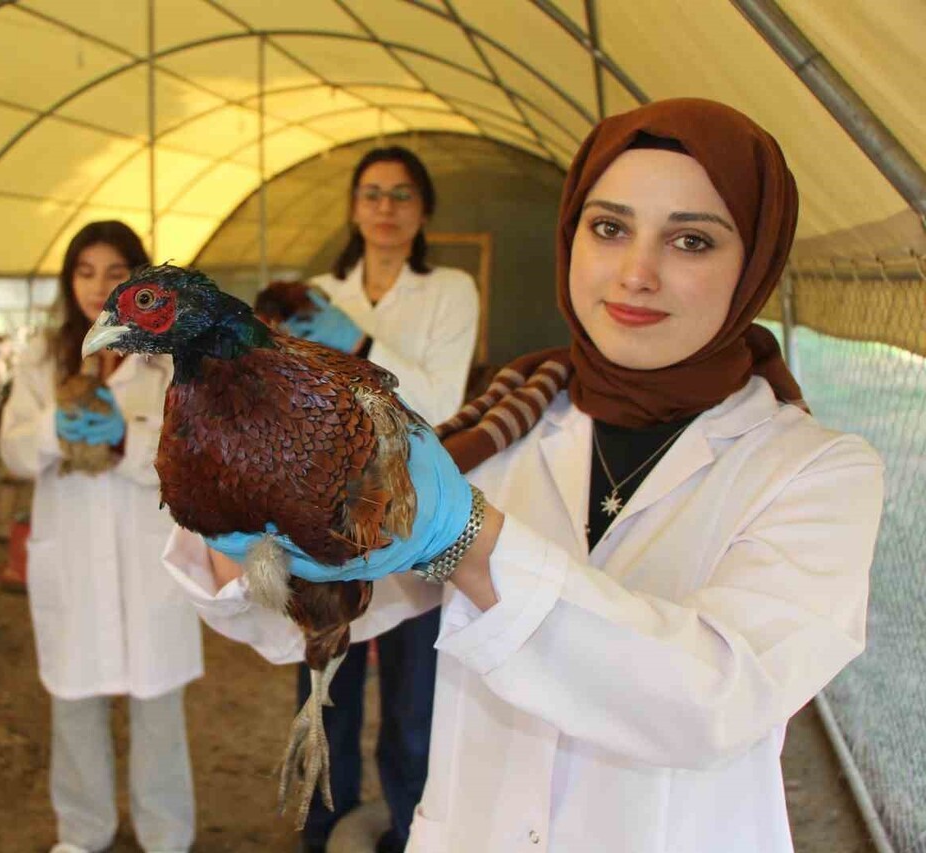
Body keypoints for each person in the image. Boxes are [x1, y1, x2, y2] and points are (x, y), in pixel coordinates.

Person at [164, 99, 883, 852]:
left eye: (692, 240)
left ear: (756, 263)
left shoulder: (816, 472)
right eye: (609, 228)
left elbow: (716, 700)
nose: (636, 273)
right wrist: (234, 510)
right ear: (571, 237)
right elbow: (318, 615)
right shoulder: (505, 426)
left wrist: (472, 543)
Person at [272, 144, 479, 853]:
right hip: (322, 516)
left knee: (412, 693)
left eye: (401, 195)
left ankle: (409, 829)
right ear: (354, 207)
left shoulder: (451, 289)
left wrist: (354, 341)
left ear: (423, 211)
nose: (385, 209)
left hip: (412, 514)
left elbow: (443, 400)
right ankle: (322, 828)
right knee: (323, 685)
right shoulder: (314, 293)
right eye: (372, 194)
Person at [0, 220, 200, 853]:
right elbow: (9, 447)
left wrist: (125, 442)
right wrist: (54, 434)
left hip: (148, 558)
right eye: (84, 272)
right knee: (75, 702)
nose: (97, 286)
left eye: (115, 273)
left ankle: (166, 836)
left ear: (142, 282)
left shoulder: (172, 357)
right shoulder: (43, 355)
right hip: (74, 557)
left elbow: (194, 454)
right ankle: (82, 833)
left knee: (157, 706)